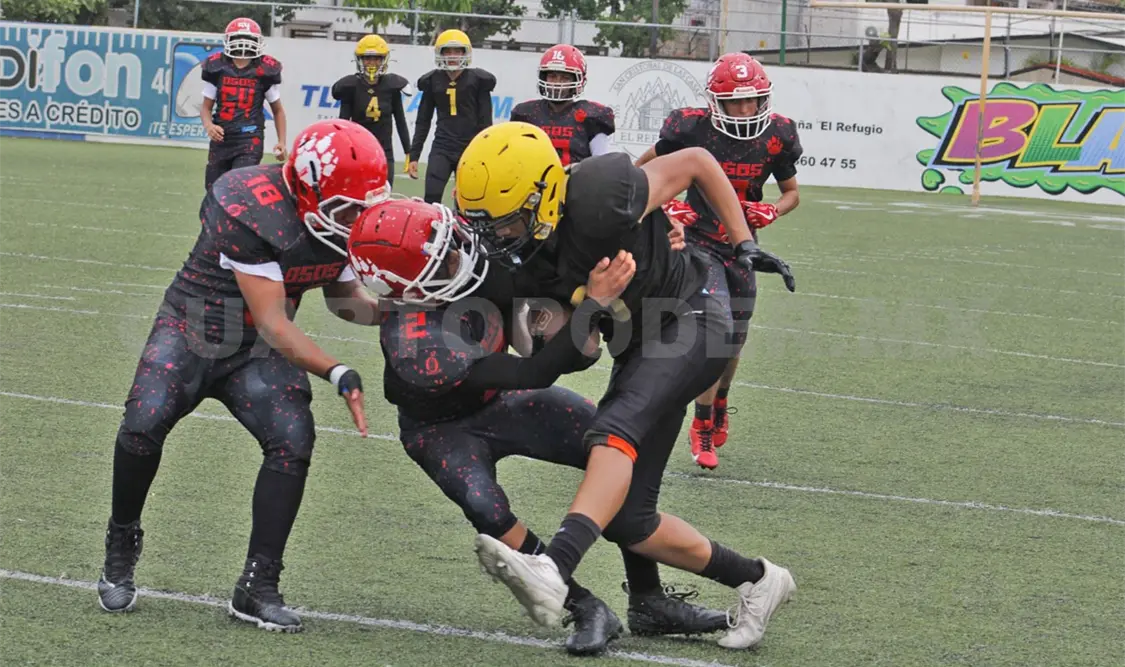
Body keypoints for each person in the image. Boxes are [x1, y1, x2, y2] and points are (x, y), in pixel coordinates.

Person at [454, 121, 797, 650]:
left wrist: (743, 243)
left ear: (545, 197)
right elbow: (559, 355)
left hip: (694, 307)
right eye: (485, 224)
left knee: (613, 428)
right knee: (630, 520)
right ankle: (757, 579)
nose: (495, 236)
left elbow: (697, 161)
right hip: (640, 339)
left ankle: (555, 566)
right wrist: (586, 306)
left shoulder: (599, 191)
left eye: (505, 222)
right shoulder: (521, 259)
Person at [97, 120, 386, 633]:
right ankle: (122, 540)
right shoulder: (248, 203)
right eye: (347, 207)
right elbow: (275, 323)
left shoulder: (336, 222)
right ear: (307, 187)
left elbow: (345, 303)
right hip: (195, 329)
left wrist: (400, 310)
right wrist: (337, 370)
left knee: (292, 439)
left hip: (254, 348)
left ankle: (258, 585)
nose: (359, 217)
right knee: (143, 423)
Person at [635, 53, 803, 470]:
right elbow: (641, 174)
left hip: (742, 246)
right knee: (716, 332)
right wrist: (670, 206)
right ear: (715, 102)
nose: (745, 110)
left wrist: (773, 211)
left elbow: (791, 193)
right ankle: (703, 423)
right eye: (735, 102)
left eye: (752, 101)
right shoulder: (690, 127)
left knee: (734, 343)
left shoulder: (777, 134)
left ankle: (720, 399)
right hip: (699, 244)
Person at [407, 29, 496, 204]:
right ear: (440, 53)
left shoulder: (478, 80)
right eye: (448, 51)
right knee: (431, 197)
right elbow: (423, 121)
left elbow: (486, 123)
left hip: (470, 148)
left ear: (465, 53)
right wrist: (414, 155)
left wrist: (485, 153)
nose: (453, 55)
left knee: (469, 201)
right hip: (443, 146)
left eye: (457, 51)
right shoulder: (432, 80)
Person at [200, 18, 288, 192]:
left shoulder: (264, 70)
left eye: (248, 39)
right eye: (238, 38)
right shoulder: (217, 67)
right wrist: (209, 125)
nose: (243, 44)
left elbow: (277, 110)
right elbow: (206, 107)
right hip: (222, 138)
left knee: (238, 189)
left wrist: (282, 142)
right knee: (213, 192)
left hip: (249, 139)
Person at [510, 44, 615, 166]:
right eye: (552, 76)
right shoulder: (526, 113)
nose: (557, 83)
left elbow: (602, 165)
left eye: (565, 78)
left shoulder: (591, 116)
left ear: (578, 81)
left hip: (574, 183)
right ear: (544, 77)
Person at [331, 34, 411, 188]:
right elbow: (343, 123)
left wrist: (409, 151)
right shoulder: (351, 86)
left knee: (384, 194)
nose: (372, 63)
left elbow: (400, 121)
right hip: (358, 149)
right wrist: (341, 150)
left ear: (384, 60)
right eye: (367, 58)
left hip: (384, 150)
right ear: (360, 60)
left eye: (376, 58)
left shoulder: (391, 86)